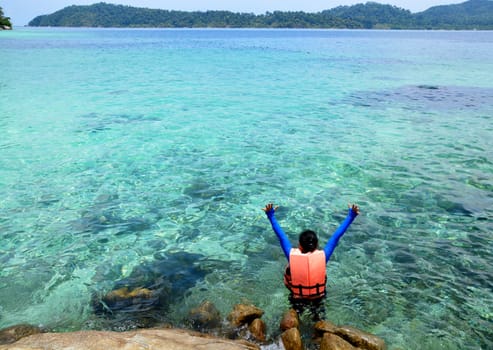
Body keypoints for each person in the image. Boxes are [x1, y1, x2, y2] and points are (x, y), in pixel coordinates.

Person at [262, 202, 360, 320]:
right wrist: (351, 216)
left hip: (297, 299)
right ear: (317, 244)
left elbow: (281, 236)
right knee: (319, 322)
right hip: (317, 299)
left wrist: (270, 216)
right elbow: (336, 236)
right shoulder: (324, 256)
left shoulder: (291, 255)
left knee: (295, 320)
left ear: (300, 246)